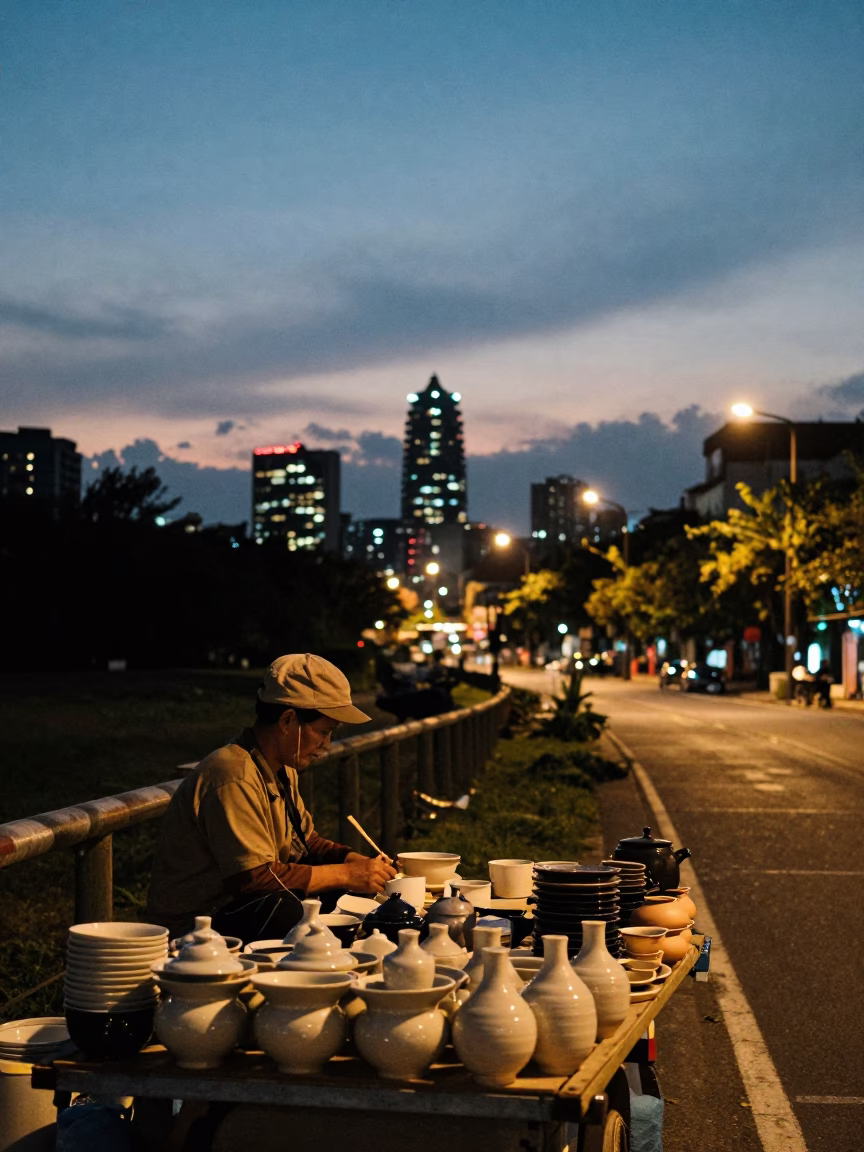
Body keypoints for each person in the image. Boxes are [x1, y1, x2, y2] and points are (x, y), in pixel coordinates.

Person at [146, 653, 397, 943]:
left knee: (344, 895)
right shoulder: (234, 774)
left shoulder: (280, 767)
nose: (326, 745)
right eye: (323, 732)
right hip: (197, 928)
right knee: (286, 908)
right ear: (288, 720)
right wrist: (346, 874)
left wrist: (356, 862)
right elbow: (255, 880)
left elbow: (306, 842)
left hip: (242, 908)